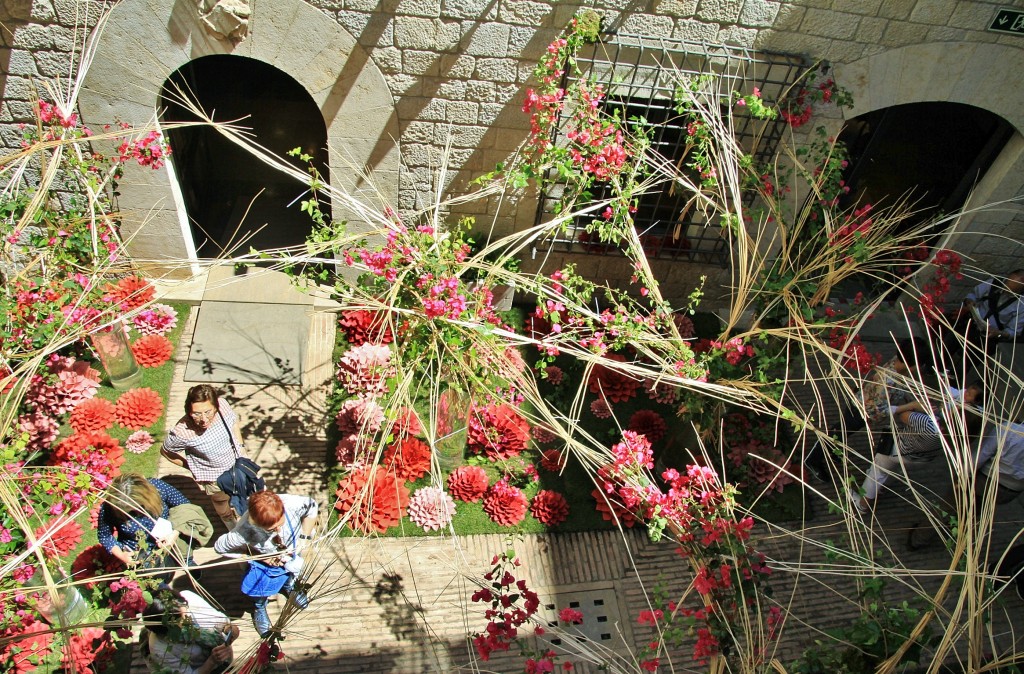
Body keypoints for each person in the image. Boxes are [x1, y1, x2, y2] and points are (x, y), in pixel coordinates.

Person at [805, 336, 932, 480]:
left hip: (863, 402)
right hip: (861, 410)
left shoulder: (897, 363)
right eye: (920, 365)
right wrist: (912, 406)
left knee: (843, 432)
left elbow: (896, 389)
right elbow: (879, 411)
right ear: (912, 365)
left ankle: (832, 450)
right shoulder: (888, 381)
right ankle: (813, 460)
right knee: (838, 431)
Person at [849, 382, 984, 514]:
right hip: (920, 458)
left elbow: (903, 416)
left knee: (876, 473)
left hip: (898, 450)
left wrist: (915, 406)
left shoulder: (929, 424)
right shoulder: (958, 437)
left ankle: (863, 505)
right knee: (893, 469)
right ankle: (882, 487)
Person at [214, 490, 317, 637]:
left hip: (292, 553)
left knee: (290, 575)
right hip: (265, 566)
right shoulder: (244, 531)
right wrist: (260, 557)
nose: (278, 530)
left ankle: (290, 588)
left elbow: (312, 507)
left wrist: (304, 539)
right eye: (272, 529)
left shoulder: (293, 504)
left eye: (280, 523)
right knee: (260, 588)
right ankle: (260, 607)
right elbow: (220, 547)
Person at [163, 385, 248, 528]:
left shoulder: (224, 407)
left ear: (216, 406)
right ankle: (229, 522)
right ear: (189, 411)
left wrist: (241, 447)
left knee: (243, 493)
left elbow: (234, 423)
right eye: (196, 413)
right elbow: (166, 451)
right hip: (213, 478)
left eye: (208, 412)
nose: (203, 419)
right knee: (221, 501)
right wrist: (191, 467)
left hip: (237, 465)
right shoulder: (181, 432)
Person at [98, 474, 191, 570]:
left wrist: (175, 533)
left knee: (188, 564)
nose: (135, 513)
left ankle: (189, 563)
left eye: (138, 506)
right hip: (140, 555)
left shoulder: (158, 487)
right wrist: (122, 555)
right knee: (158, 581)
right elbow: (105, 536)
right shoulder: (108, 507)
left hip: (173, 543)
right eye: (127, 511)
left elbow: (184, 507)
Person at [141, 587, 239, 674]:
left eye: (185, 610)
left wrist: (230, 631)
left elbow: (223, 623)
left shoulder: (189, 599)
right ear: (169, 627)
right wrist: (212, 661)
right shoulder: (160, 648)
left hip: (226, 662)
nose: (188, 618)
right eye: (181, 619)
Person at [956, 270, 1024, 354]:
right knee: (946, 349)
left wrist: (999, 333)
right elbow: (973, 295)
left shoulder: (1021, 304)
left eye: (1010, 290)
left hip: (987, 337)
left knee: (967, 362)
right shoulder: (994, 283)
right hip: (969, 323)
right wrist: (969, 301)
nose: (1005, 290)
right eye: (1006, 284)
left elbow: (1013, 331)